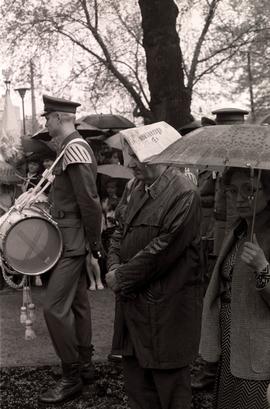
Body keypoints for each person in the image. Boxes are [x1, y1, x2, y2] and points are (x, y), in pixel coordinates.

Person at [106, 143, 204, 409]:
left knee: (170, 392)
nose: (129, 164)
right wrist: (113, 267)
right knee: (138, 390)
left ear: (160, 155)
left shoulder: (184, 194)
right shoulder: (135, 188)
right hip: (134, 309)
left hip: (166, 313)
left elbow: (163, 250)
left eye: (137, 157)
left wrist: (121, 277)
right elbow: (118, 232)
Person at [37, 95, 103, 404]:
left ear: (61, 118)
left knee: (53, 307)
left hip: (72, 240)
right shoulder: (68, 148)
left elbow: (89, 201)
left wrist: (94, 243)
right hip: (69, 237)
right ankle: (85, 367)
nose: (45, 122)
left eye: (47, 117)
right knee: (77, 305)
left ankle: (71, 375)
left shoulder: (75, 149)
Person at [200, 167, 270, 409]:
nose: (239, 198)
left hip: (259, 350)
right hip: (232, 341)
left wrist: (263, 267)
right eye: (232, 190)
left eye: (249, 190)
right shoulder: (240, 230)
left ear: (268, 192)